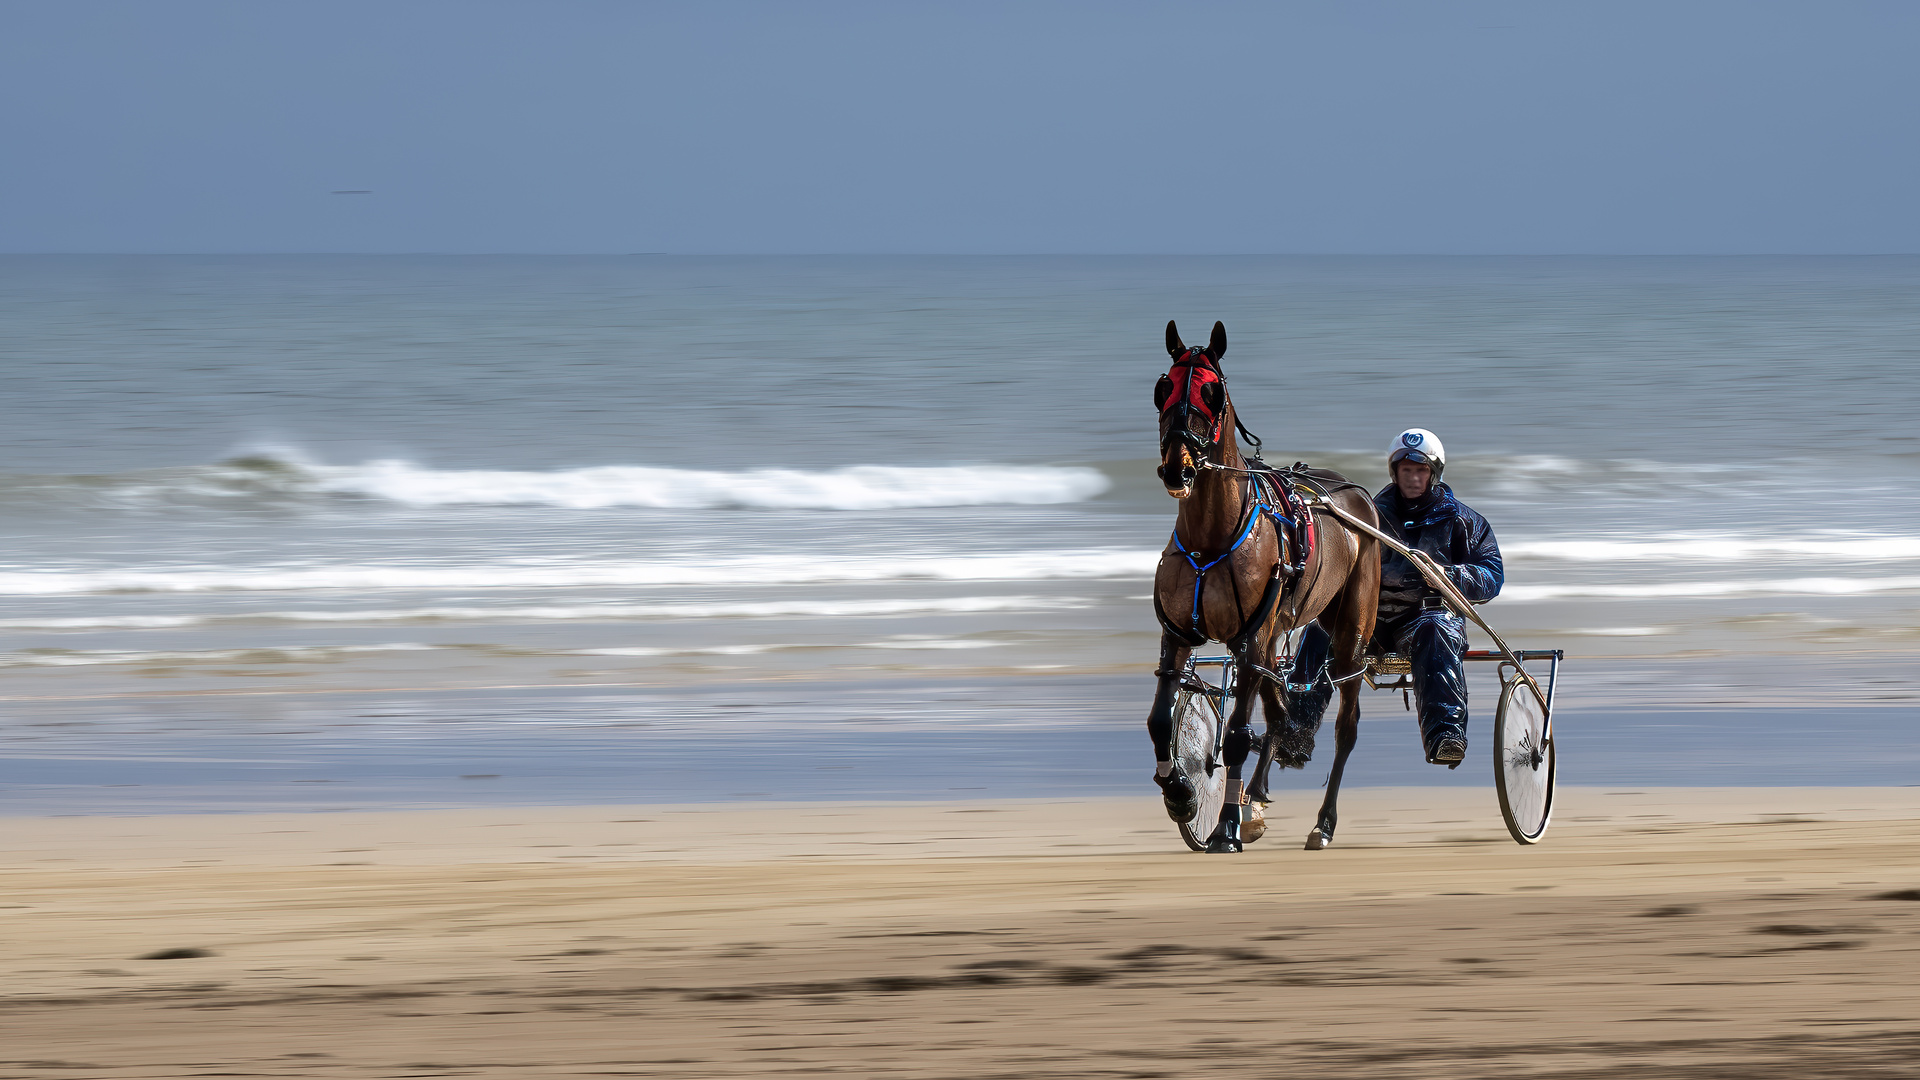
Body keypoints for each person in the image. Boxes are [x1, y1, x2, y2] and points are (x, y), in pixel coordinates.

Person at [1287, 428, 1503, 765]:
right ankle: (1294, 734)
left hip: (1425, 621)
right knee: (1320, 629)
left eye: (1421, 471)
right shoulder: (1366, 516)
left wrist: (1449, 576)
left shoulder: (1462, 520)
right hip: (1370, 621)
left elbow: (1492, 575)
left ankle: (1445, 735)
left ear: (1433, 473)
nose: (1414, 478)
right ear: (1395, 472)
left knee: (1435, 630)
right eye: (1406, 471)